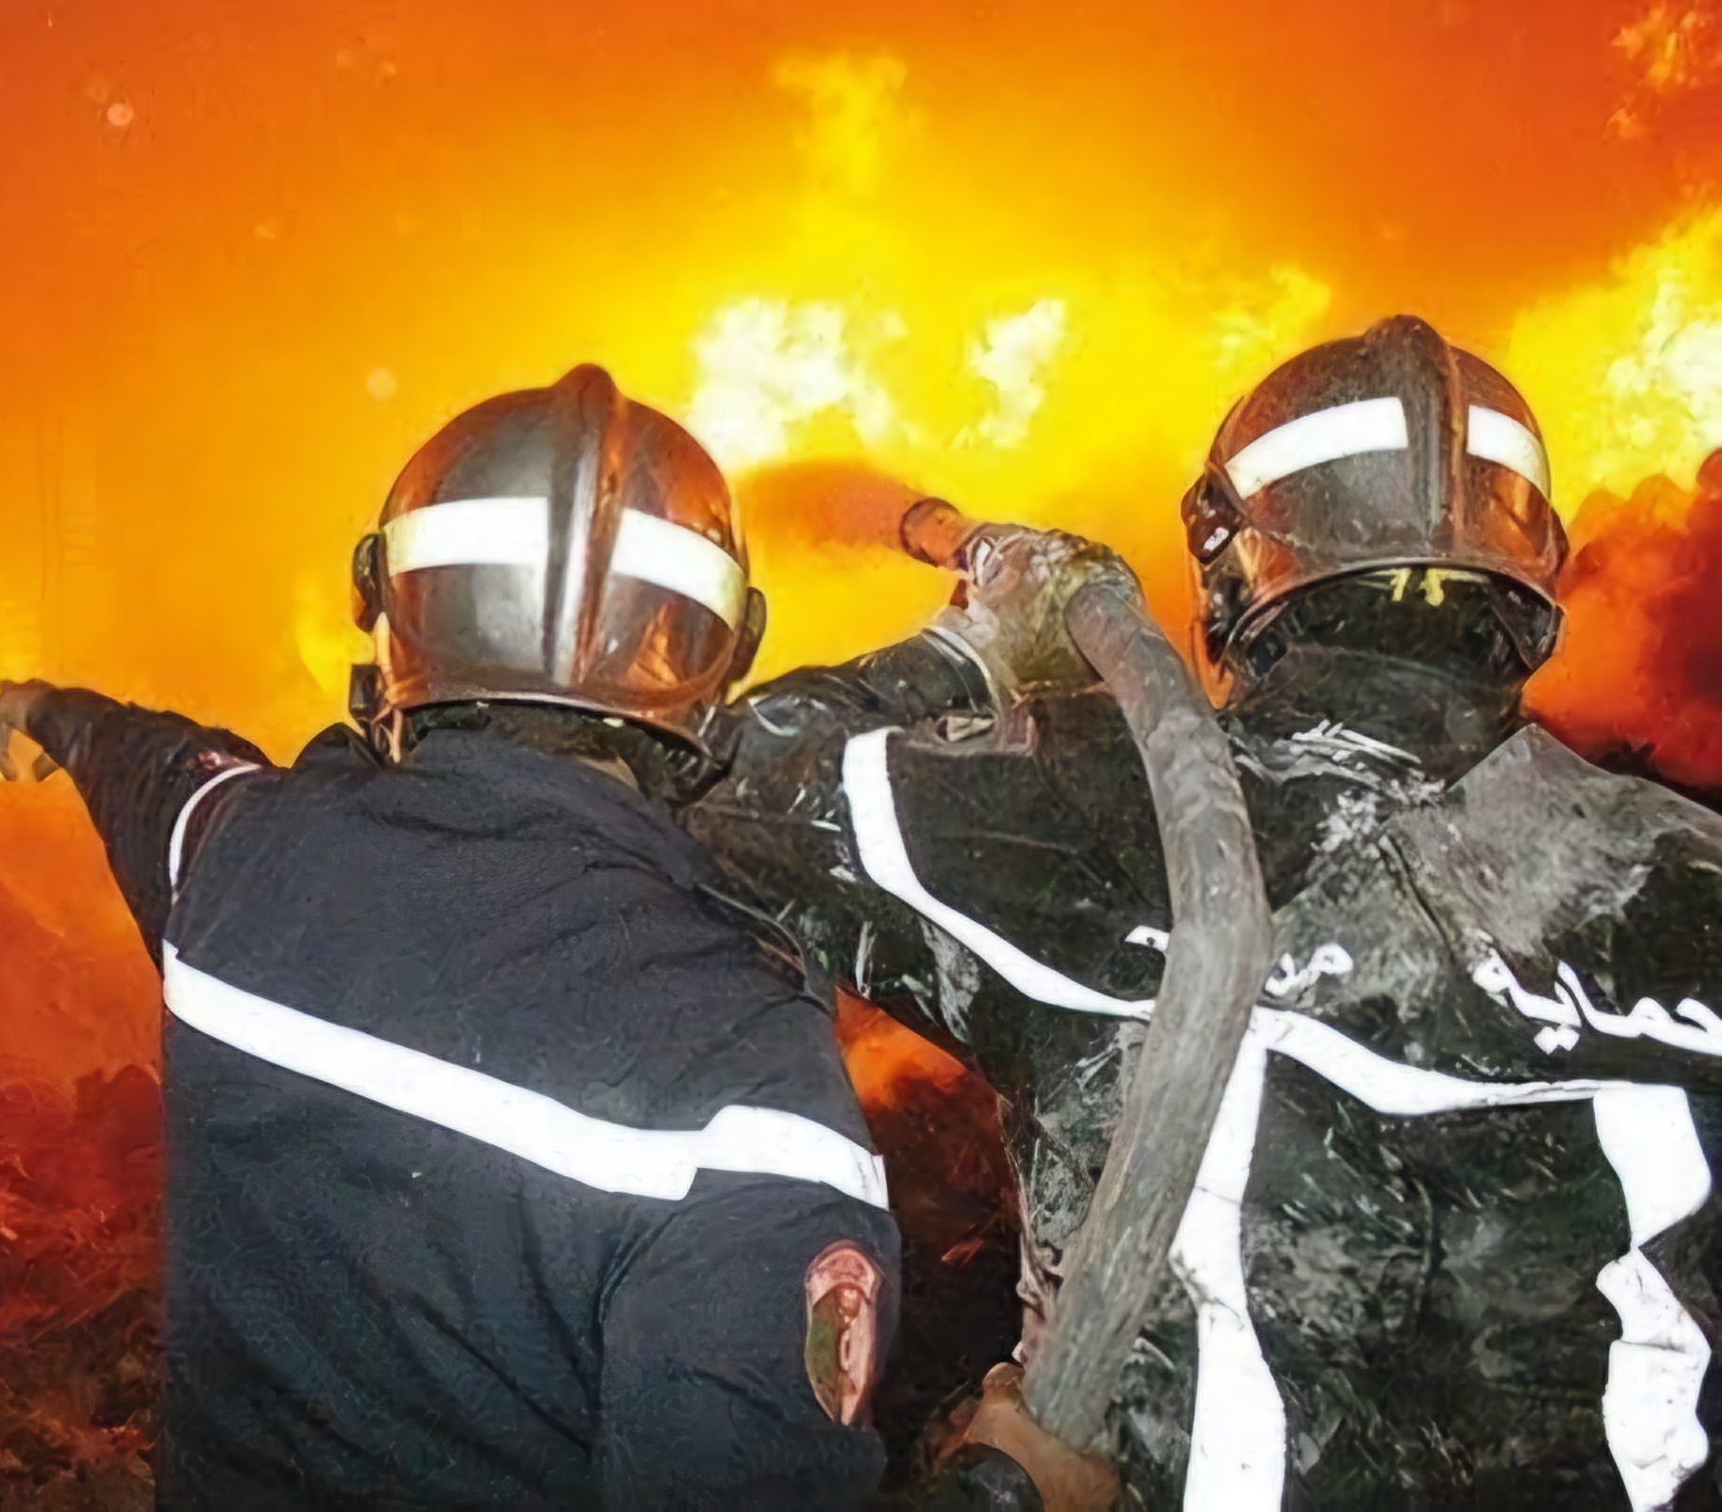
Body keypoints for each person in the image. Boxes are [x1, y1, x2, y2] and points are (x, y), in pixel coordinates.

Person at [0, 366, 1111, 1510]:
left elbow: (153, 767)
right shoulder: (740, 1090)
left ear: (391, 598)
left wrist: (55, 716)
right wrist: (1005, 1490)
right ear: (731, 647)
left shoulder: (236, 861)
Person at [690, 316, 1722, 1510]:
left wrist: (975, 641)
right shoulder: (1687, 874)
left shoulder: (1093, 812)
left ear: (1232, 561)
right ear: (1530, 567)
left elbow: (719, 782)